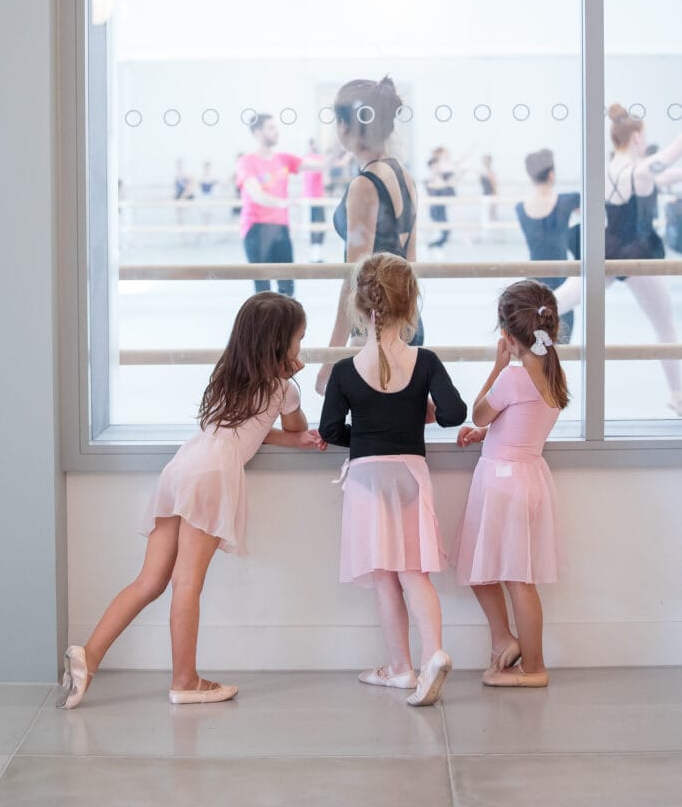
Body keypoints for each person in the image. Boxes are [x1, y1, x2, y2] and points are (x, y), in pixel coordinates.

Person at [56, 293, 326, 710]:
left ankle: (88, 657)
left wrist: (287, 435)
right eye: (298, 342)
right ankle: (185, 680)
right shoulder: (283, 387)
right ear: (280, 346)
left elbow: (243, 428)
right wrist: (296, 412)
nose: (299, 351)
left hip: (183, 466)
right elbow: (295, 423)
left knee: (149, 580)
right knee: (187, 582)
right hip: (214, 475)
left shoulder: (225, 376)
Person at [319, 254, 467, 706]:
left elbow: (328, 431)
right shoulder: (425, 362)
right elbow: (455, 414)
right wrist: (422, 415)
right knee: (414, 571)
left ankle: (400, 669)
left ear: (359, 309)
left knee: (384, 577)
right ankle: (434, 652)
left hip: (366, 477)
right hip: (409, 474)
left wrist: (364, 436)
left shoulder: (345, 371)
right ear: (410, 307)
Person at [453, 280, 568, 688]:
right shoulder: (553, 374)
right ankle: (507, 642)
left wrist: (497, 365)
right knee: (494, 572)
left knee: (515, 577)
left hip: (505, 480)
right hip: (525, 474)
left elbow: (479, 412)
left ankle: (533, 668)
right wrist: (490, 435)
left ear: (506, 334)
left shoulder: (514, 378)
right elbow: (522, 423)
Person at [554, 103, 682, 414]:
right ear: (637, 137)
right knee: (665, 326)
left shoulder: (609, 169)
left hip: (608, 248)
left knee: (565, 297)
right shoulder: (640, 170)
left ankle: (521, 319)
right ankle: (678, 395)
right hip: (637, 253)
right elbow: (666, 160)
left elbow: (664, 175)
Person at [315, 76, 421, 395]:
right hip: (402, 324)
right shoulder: (405, 175)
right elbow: (410, 264)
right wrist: (408, 326)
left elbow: (354, 279)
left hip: (374, 331)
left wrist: (331, 358)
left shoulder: (365, 185)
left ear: (347, 126)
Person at [515, 149, 580, 342]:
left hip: (533, 283)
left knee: (535, 345)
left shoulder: (520, 207)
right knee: (560, 343)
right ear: (551, 174)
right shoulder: (568, 200)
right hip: (561, 280)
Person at [235, 114, 303, 296]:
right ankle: (265, 324)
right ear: (258, 132)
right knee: (263, 290)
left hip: (280, 228)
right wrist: (283, 202)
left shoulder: (284, 158)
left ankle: (288, 324)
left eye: (276, 127)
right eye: (271, 128)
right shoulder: (246, 162)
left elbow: (320, 165)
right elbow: (256, 194)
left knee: (287, 287)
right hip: (256, 228)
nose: (276, 131)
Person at [425, 147, 457, 249]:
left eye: (438, 165)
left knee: (447, 232)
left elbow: (448, 184)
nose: (437, 167)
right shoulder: (430, 180)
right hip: (435, 211)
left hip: (441, 210)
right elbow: (435, 186)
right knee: (443, 231)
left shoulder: (441, 177)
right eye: (435, 166)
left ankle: (434, 245)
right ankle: (433, 245)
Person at [302, 138, 327, 264]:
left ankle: (315, 255)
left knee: (316, 227)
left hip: (312, 197)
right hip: (314, 198)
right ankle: (315, 256)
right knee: (317, 226)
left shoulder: (307, 158)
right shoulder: (315, 159)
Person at [479, 154, 498, 224]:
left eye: (487, 161)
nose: (485, 162)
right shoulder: (481, 173)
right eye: (484, 161)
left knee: (492, 214)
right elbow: (482, 184)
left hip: (491, 195)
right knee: (486, 214)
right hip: (485, 195)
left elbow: (494, 186)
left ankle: (495, 230)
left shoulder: (491, 173)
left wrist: (496, 196)